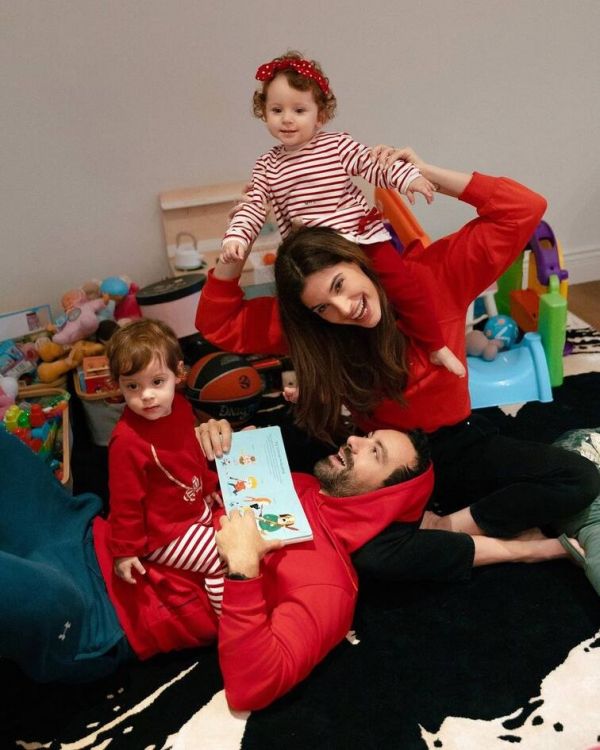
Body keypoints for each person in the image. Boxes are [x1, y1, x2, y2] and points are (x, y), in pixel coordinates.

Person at [195, 150, 600, 582]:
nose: (344, 308)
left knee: (577, 478)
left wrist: (423, 172)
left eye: (340, 285)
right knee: (240, 459)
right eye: (323, 307)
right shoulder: (315, 328)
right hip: (371, 451)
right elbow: (216, 323)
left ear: (358, 260)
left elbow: (524, 208)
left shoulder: (431, 277)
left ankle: (449, 527)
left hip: (455, 445)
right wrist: (237, 243)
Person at [1, 414, 575, 710]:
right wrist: (205, 443)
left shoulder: (332, 585)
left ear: (386, 495)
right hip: (82, 528)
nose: (355, 442)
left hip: (97, 613)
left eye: (374, 452)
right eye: (366, 436)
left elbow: (253, 686)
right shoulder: (294, 480)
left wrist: (243, 571)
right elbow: (180, 491)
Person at [219, 50, 464, 377]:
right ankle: (331, 374)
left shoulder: (337, 146)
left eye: (299, 110)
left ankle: (435, 346)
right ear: (264, 113)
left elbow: (374, 165)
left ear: (319, 115)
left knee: (404, 288)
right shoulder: (267, 166)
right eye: (276, 110)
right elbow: (251, 205)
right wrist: (236, 237)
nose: (287, 119)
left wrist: (409, 179)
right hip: (317, 256)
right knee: (318, 316)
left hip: (361, 237)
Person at [105, 319, 225, 614]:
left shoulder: (180, 407)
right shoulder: (126, 442)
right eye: (132, 386)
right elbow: (124, 501)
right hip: (162, 534)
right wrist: (125, 551)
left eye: (157, 382)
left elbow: (191, 453)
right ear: (118, 385)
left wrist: (208, 484)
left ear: (178, 374)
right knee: (223, 555)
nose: (146, 395)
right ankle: (229, 620)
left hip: (192, 507)